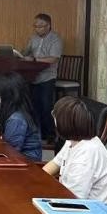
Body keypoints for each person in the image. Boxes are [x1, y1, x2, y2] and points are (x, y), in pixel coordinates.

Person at [43, 96, 107, 200]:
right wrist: (36, 180)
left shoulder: (86, 154)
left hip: (89, 208)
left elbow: (73, 200)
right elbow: (55, 164)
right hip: (68, 198)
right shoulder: (73, 140)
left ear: (64, 123)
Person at [21, 13, 63, 143]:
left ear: (48, 26)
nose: (37, 29)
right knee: (33, 106)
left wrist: (35, 59)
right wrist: (20, 54)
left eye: (40, 26)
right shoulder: (33, 38)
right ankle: (36, 133)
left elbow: (54, 58)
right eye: (35, 26)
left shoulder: (55, 39)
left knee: (46, 106)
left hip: (47, 77)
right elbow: (26, 52)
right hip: (33, 76)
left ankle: (50, 135)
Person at [0, 73, 42, 161]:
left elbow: (10, 152)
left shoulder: (16, 119)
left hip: (27, 164)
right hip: (20, 160)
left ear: (6, 95)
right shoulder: (21, 111)